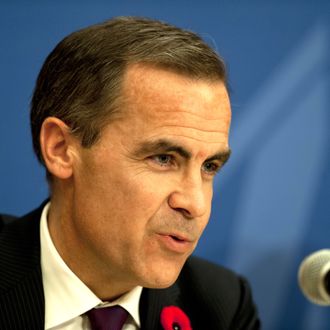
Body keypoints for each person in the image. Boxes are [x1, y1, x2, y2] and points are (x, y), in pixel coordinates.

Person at [0, 16, 260, 330]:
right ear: (60, 149)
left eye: (209, 167)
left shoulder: (221, 305)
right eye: (164, 158)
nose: (195, 204)